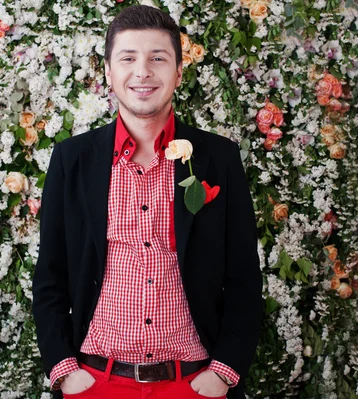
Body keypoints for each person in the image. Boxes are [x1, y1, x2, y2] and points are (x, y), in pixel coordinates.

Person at [32, 5, 262, 399]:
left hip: (194, 383)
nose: (143, 71)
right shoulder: (72, 159)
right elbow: (50, 275)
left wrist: (223, 373)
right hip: (95, 381)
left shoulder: (218, 158)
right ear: (108, 71)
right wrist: (63, 370)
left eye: (158, 58)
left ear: (178, 72)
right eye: (128, 58)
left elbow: (243, 276)